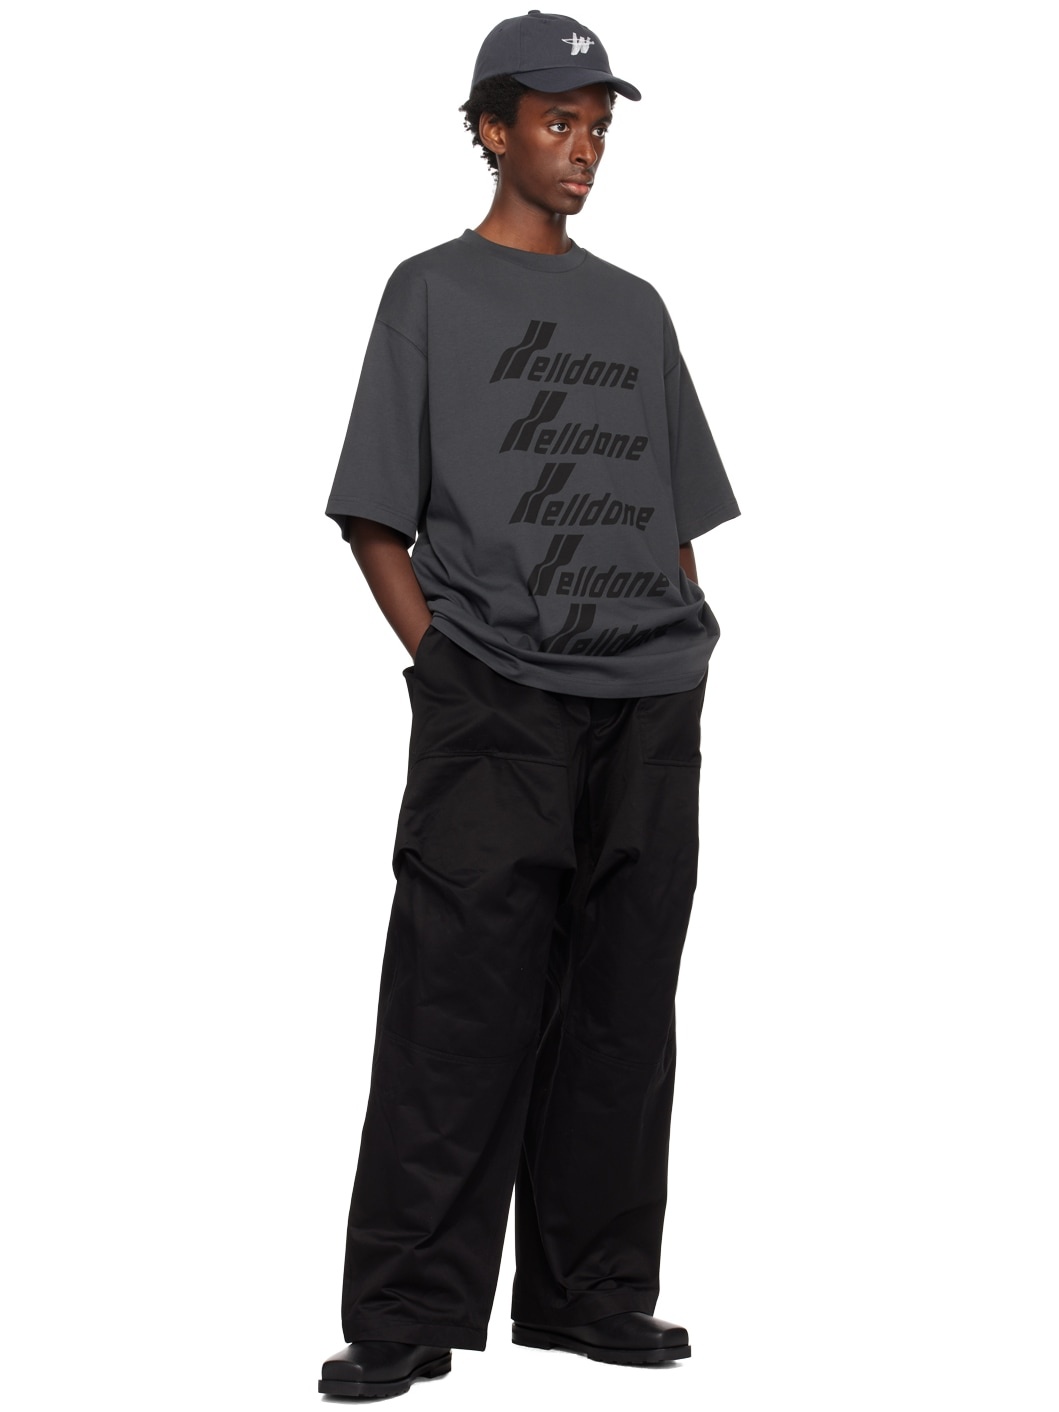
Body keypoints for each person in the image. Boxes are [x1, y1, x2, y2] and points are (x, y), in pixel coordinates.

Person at [317, 10, 741, 1400]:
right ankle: (404, 1314)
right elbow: (374, 512)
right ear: (492, 129)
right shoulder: (428, 294)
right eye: (558, 122)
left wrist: (682, 636)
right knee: (458, 1003)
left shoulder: (638, 308)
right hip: (495, 693)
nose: (584, 149)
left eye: (598, 126)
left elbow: (679, 511)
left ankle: (594, 1293)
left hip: (648, 697)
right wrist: (442, 663)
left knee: (624, 1008)